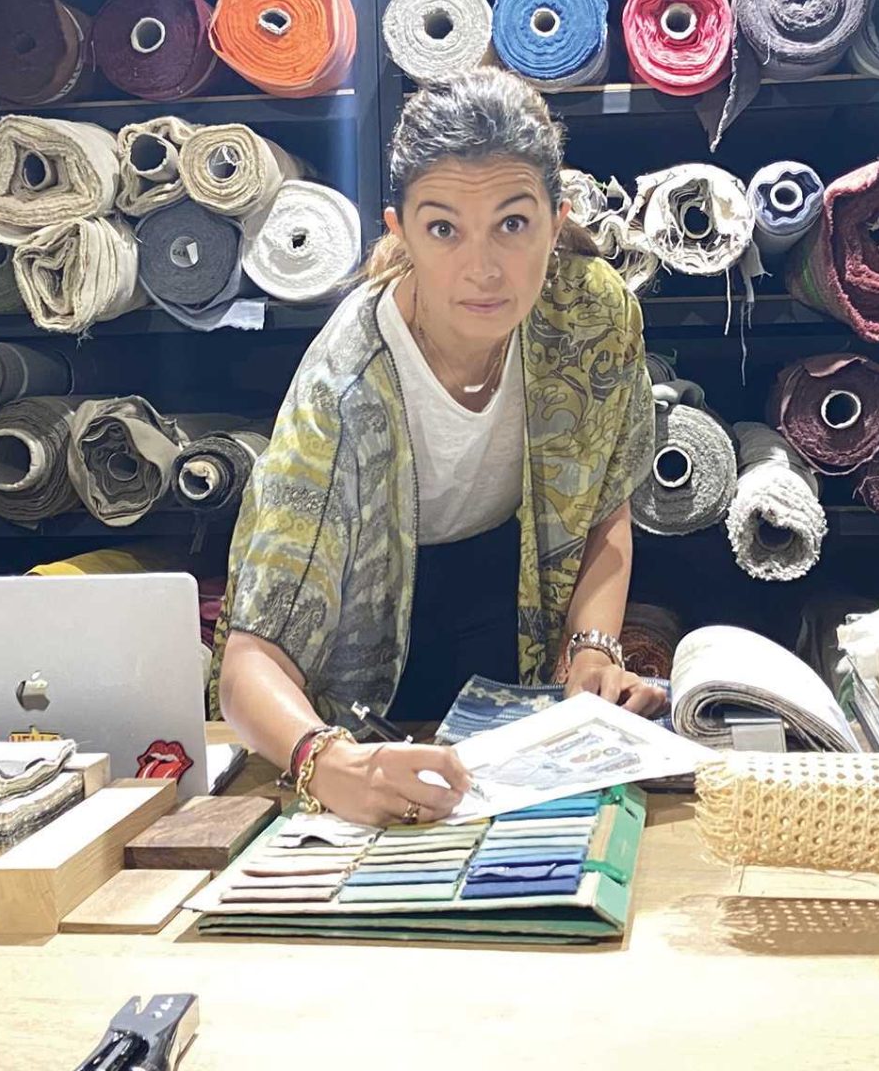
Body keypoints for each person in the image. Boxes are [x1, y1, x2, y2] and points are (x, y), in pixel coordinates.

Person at [213, 68, 664, 828]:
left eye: (512, 224)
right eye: (444, 229)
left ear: (556, 220)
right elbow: (250, 662)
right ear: (400, 230)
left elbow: (605, 505)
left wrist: (592, 650)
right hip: (357, 654)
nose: (482, 269)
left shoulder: (592, 316)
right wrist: (327, 762)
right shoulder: (345, 388)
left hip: (511, 602)